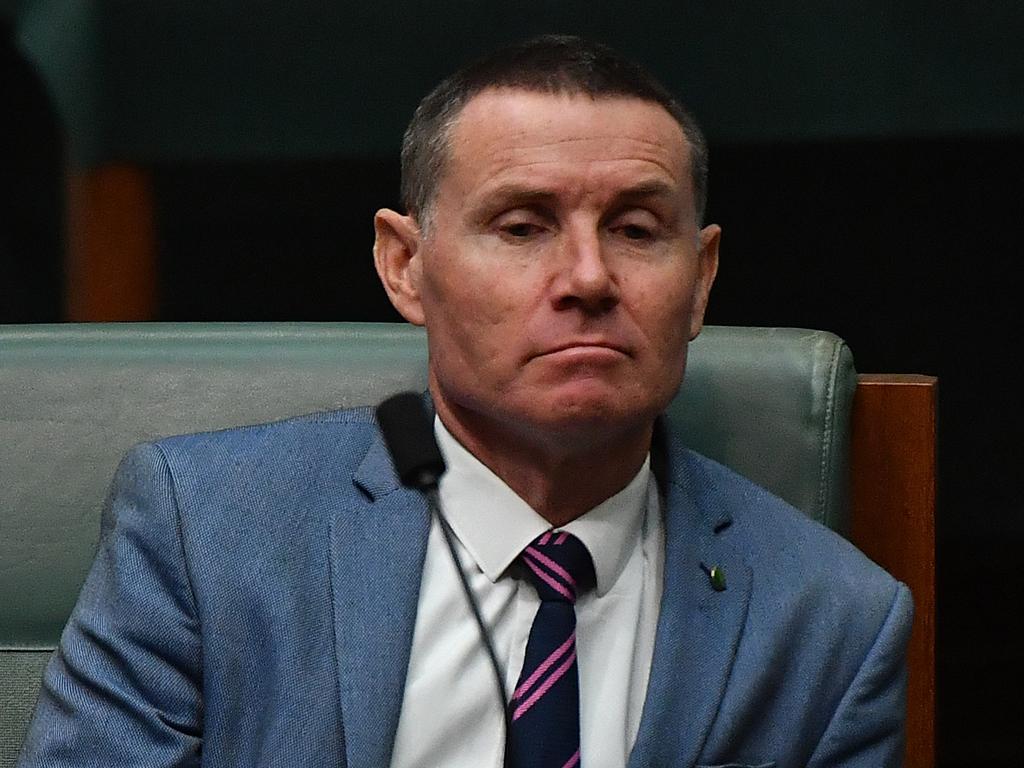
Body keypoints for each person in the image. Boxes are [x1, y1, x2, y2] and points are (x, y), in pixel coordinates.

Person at [18, 35, 912, 768]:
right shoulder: (205, 531)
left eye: (636, 230)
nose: (589, 278)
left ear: (702, 278)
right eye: (522, 227)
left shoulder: (831, 620)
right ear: (406, 266)